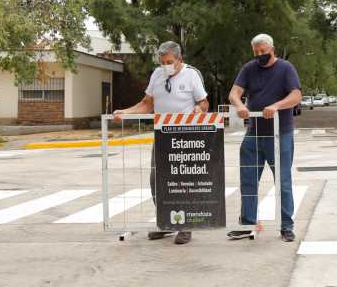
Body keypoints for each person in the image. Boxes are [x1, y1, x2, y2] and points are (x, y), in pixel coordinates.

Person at [114, 41, 209, 244]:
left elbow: (203, 102)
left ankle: (185, 225)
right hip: (162, 136)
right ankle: (166, 222)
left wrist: (200, 110)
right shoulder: (157, 75)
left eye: (169, 61)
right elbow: (147, 104)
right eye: (162, 61)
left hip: (185, 138)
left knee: (183, 183)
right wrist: (126, 112)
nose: (165, 65)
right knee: (156, 179)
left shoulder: (192, 75)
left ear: (179, 59)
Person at [226, 33, 302, 242]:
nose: (260, 55)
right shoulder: (249, 68)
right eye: (256, 52)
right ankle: (248, 222)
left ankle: (286, 226)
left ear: (272, 49)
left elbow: (296, 95)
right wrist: (240, 105)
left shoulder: (286, 68)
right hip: (254, 132)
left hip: (280, 134)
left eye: (263, 51)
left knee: (283, 181)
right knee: (248, 180)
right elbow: (234, 93)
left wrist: (276, 106)